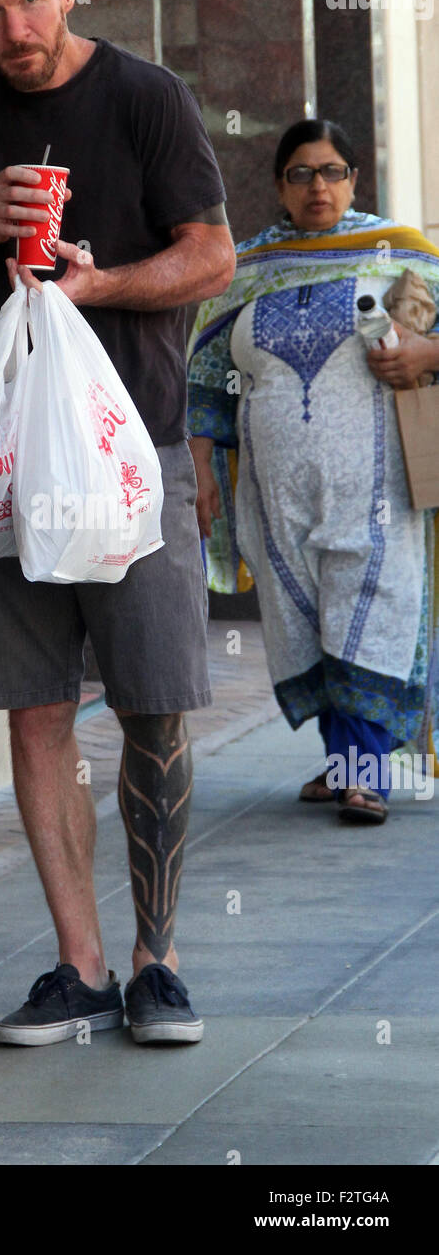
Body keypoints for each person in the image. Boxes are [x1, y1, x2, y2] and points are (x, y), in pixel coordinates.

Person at [0, 0, 235, 1043]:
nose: (15, 29)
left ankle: (159, 961)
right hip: (3, 471)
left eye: (31, 0)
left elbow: (212, 253)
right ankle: (80, 966)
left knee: (152, 705)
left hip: (129, 456)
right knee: (36, 710)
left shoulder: (146, 96)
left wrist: (103, 287)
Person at [188, 119, 439, 826]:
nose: (318, 186)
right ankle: (345, 766)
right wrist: (201, 469)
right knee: (304, 615)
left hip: (380, 487)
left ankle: (365, 776)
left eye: (331, 171)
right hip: (274, 490)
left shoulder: (399, 254)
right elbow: (205, 377)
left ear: (355, 179)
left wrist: (421, 356)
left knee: (371, 609)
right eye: (300, 174)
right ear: (278, 187)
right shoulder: (246, 268)